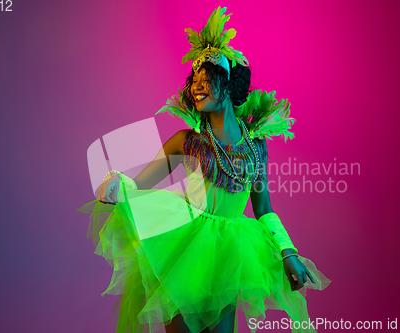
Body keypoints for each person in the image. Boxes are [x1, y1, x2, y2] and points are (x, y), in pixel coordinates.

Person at [78, 7, 330, 333]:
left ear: (227, 83)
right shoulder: (187, 142)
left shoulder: (256, 147)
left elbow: (264, 209)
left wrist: (287, 252)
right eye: (194, 80)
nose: (197, 86)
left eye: (206, 78)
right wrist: (116, 183)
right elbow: (138, 184)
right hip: (187, 251)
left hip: (230, 254)